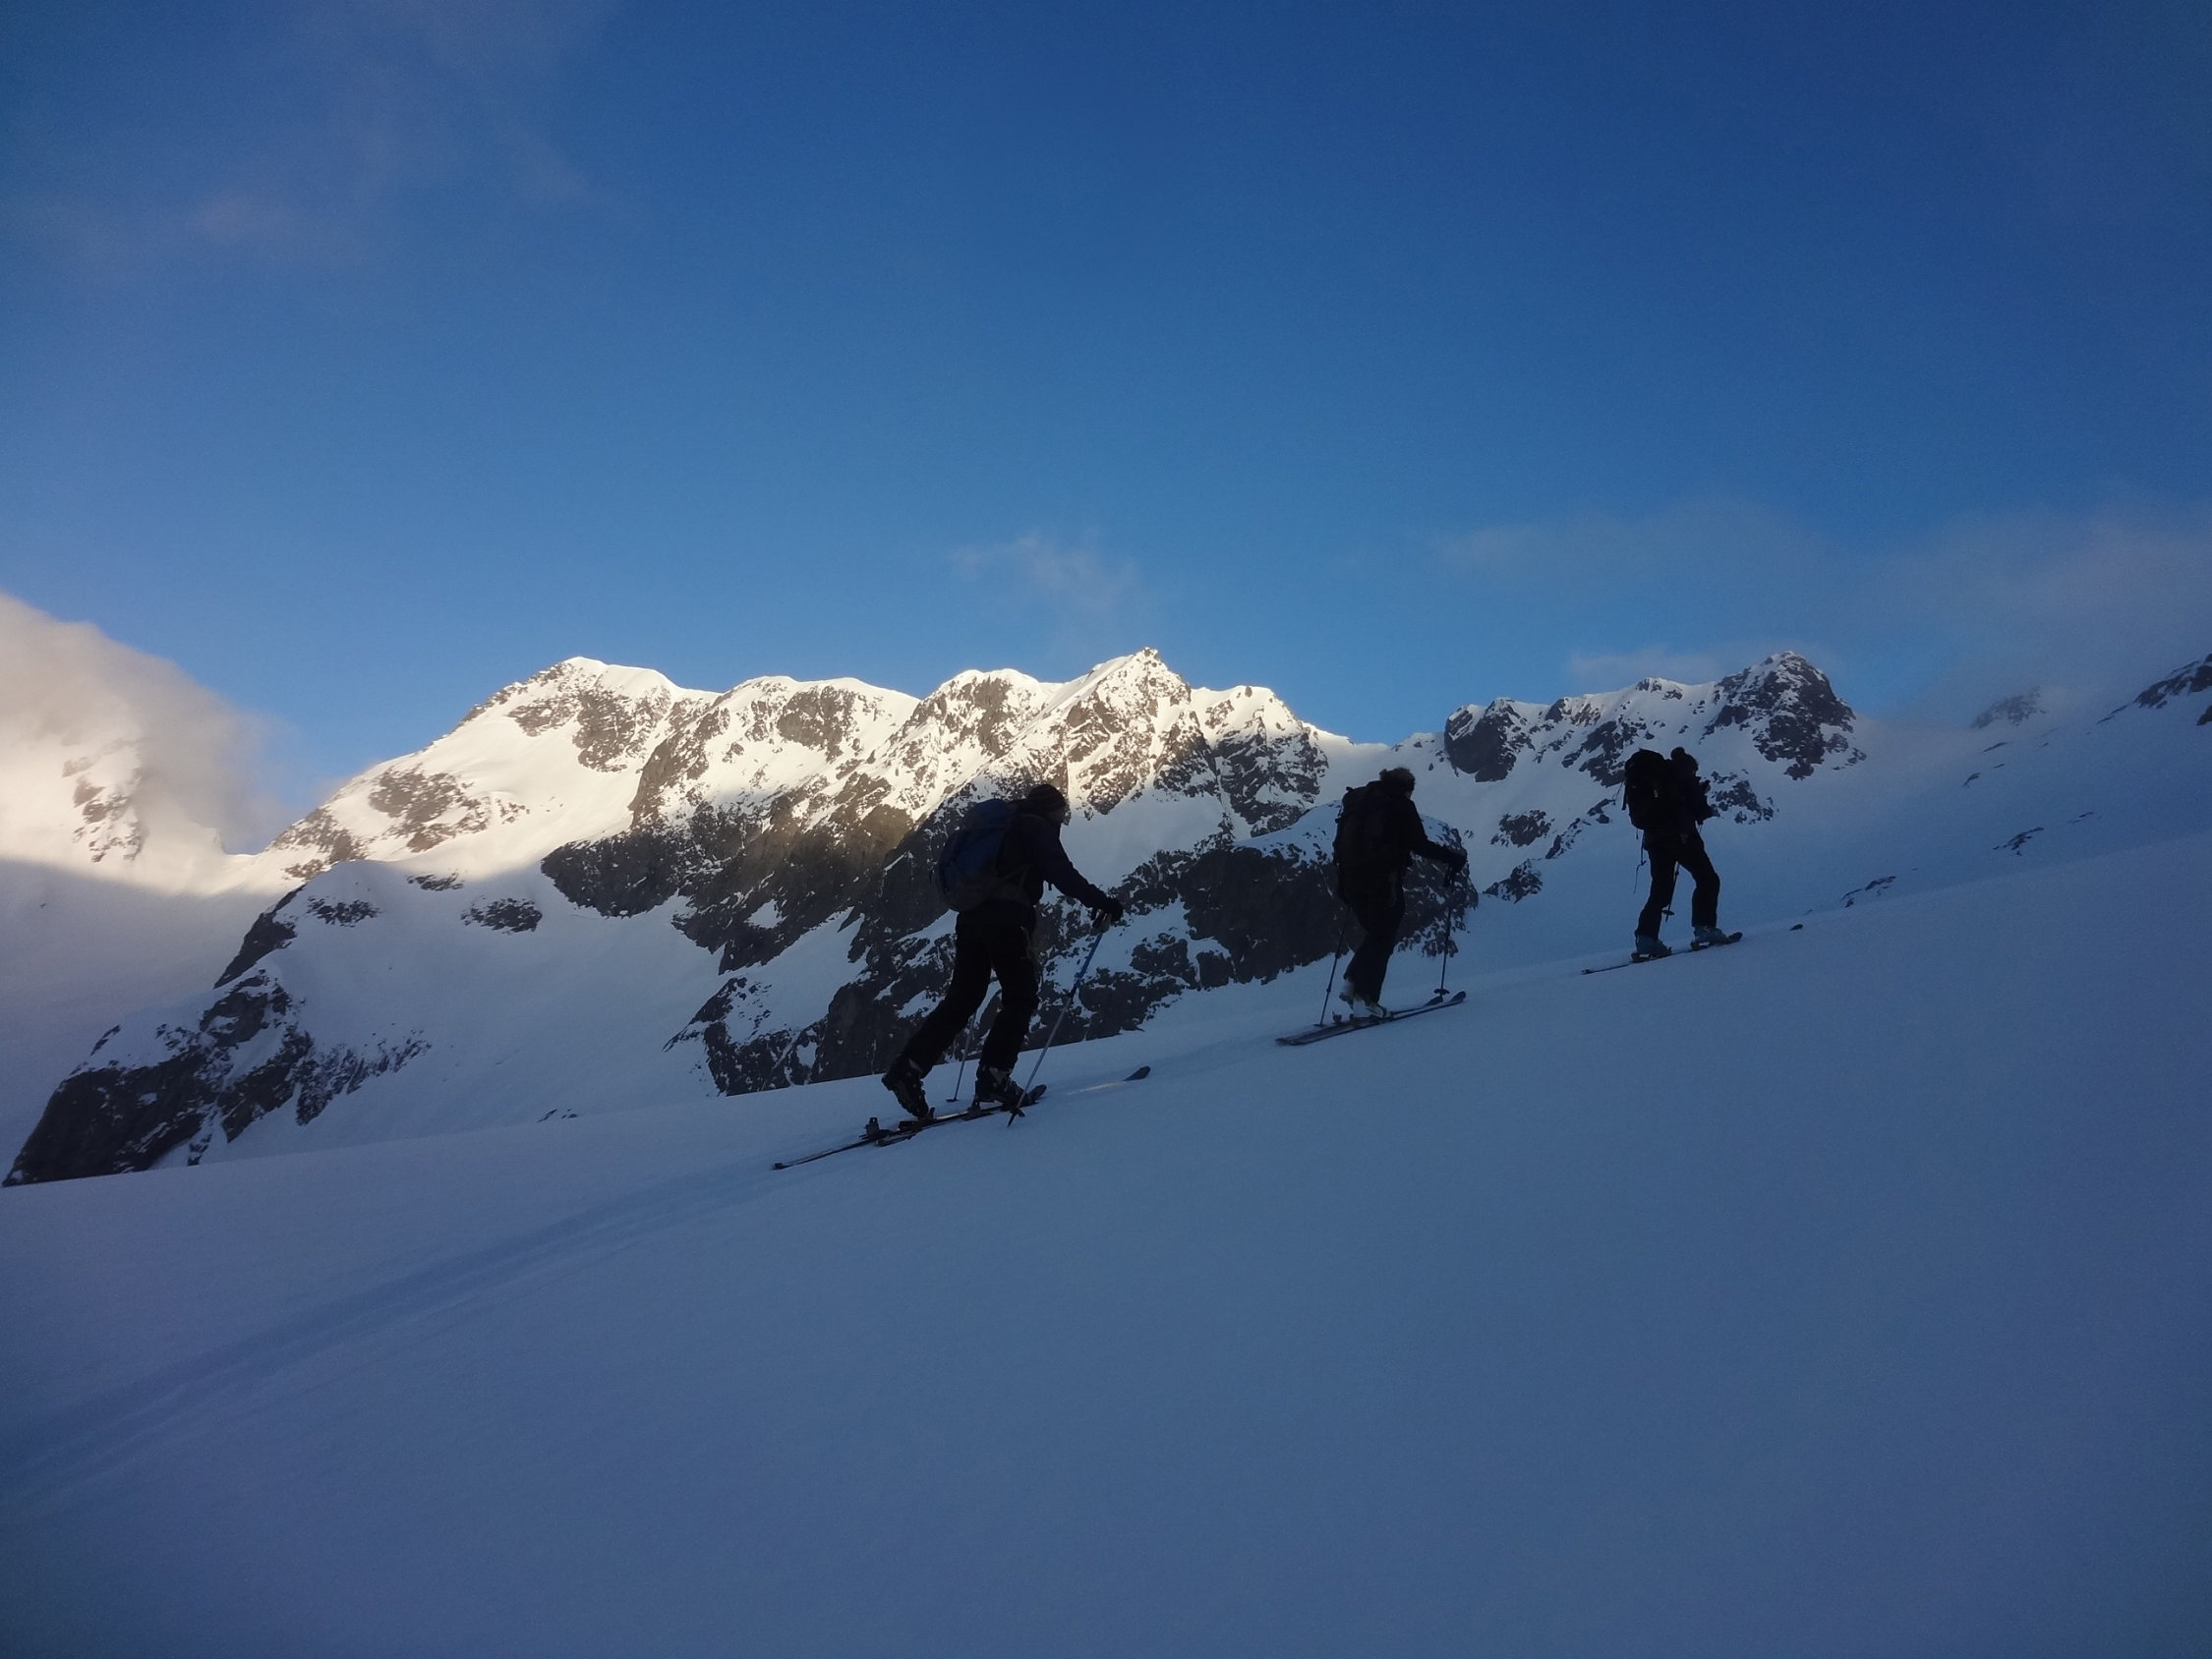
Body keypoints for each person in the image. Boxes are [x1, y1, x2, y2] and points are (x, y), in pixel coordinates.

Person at [882, 782, 1124, 1122]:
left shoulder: (1004, 825)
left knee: (962, 999)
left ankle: (907, 1070)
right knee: (1020, 996)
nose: (1062, 820)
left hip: (971, 919)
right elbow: (1061, 873)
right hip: (1008, 921)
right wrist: (1103, 902)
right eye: (1061, 814)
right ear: (1052, 810)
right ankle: (994, 1076)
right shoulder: (1035, 826)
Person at [1332, 766, 1467, 1018]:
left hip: (1349, 879)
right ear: (1407, 788)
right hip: (1381, 879)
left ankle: (1352, 984)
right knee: (1383, 935)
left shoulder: (1359, 800)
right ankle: (1365, 999)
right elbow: (1420, 844)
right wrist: (1451, 857)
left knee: (1376, 933)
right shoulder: (1400, 805)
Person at [1622, 745, 1725, 960]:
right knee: (1707, 878)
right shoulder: (1682, 774)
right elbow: (1699, 809)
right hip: (1681, 836)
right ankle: (1705, 928)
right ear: (1690, 765)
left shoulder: (1658, 775)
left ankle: (1646, 939)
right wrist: (1701, 798)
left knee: (1660, 890)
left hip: (1654, 841)